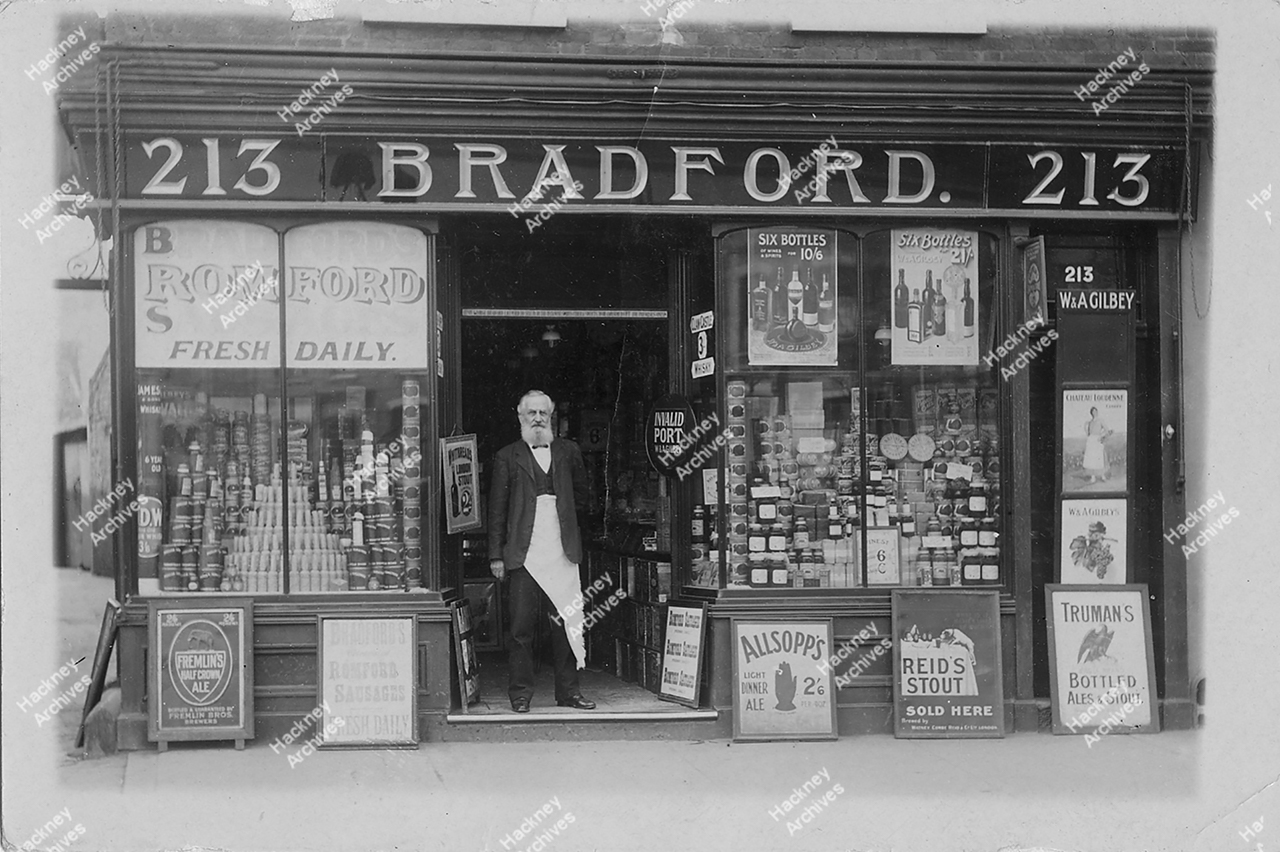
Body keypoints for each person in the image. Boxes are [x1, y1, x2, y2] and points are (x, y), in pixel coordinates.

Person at [488, 390, 595, 713]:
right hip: (524, 554)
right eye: (531, 413)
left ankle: (568, 692)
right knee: (521, 629)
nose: (537, 419)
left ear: (551, 418)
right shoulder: (507, 457)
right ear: (520, 418)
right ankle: (520, 694)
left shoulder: (569, 451)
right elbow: (497, 510)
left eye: (542, 414)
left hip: (562, 552)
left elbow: (582, 498)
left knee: (566, 623)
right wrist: (496, 555)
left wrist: (569, 532)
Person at [1082, 406, 1112, 484]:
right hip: (1091, 441)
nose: (1094, 413)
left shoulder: (1100, 420)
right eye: (1093, 412)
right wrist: (1087, 431)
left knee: (1099, 458)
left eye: (1096, 411)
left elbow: (1106, 430)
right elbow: (1088, 432)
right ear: (1091, 413)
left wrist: (1101, 436)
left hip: (1097, 441)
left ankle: (1102, 476)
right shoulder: (1090, 422)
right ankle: (1093, 477)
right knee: (1091, 459)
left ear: (1097, 412)